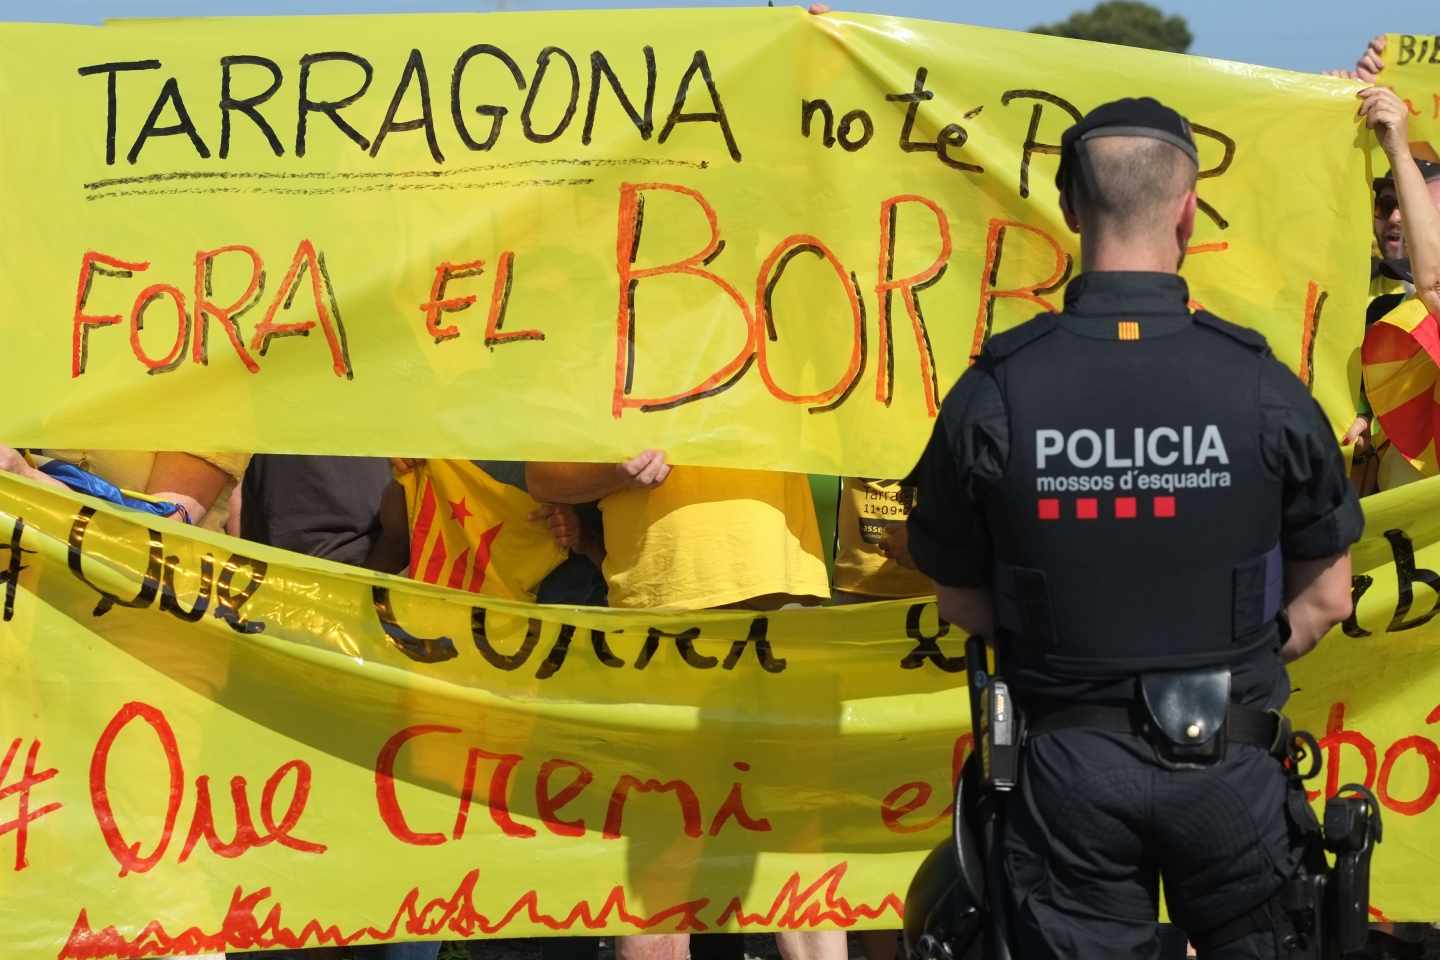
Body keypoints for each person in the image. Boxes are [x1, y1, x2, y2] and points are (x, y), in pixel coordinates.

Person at [907, 97, 1361, 957]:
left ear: (1071, 209)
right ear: (1188, 208)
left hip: (1065, 774)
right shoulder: (1260, 385)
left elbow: (960, 600)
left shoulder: (996, 389)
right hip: (1235, 763)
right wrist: (1232, 664)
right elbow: (1330, 594)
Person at [525, 452, 837, 960]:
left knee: (797, 837)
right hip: (659, 608)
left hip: (780, 596)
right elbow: (543, 474)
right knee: (664, 848)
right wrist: (616, 472)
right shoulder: (601, 370)